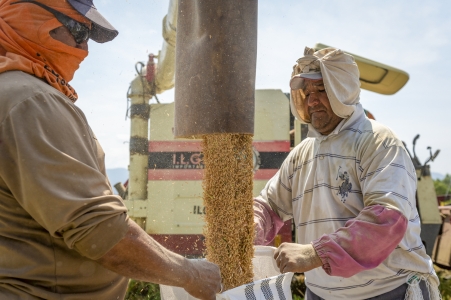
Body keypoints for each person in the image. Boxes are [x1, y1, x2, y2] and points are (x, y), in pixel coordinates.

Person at [0, 0, 221, 299]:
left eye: (88, 36)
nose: (84, 49)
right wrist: (190, 273)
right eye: (78, 31)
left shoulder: (14, 90)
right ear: (30, 17)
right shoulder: (30, 101)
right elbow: (99, 231)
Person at [253, 47, 441, 299]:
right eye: (307, 93)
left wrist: (314, 253)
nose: (311, 101)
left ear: (343, 89)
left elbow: (386, 220)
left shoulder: (378, 141)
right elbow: (269, 206)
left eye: (320, 90)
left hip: (389, 291)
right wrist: (251, 228)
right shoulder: (302, 154)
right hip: (320, 294)